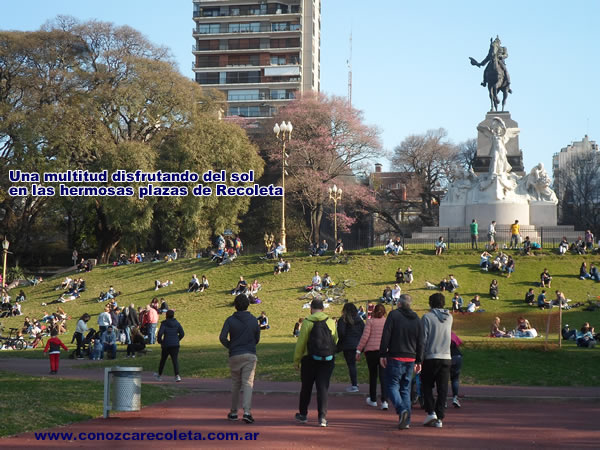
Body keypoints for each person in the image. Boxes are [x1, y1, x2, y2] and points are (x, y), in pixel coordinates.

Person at [378, 294, 423, 430]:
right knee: (405, 388)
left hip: (396, 356)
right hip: (410, 357)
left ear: (399, 303)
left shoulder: (393, 315)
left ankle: (401, 409)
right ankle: (406, 420)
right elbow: (421, 341)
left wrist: (382, 354)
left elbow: (386, 334)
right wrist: (419, 359)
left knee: (391, 385)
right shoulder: (416, 318)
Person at [294, 299, 338, 428]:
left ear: (311, 308)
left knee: (306, 387)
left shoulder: (307, 322)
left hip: (309, 359)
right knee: (322, 388)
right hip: (327, 360)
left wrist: (297, 360)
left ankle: (303, 414)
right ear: (323, 309)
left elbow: (301, 343)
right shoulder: (330, 321)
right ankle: (322, 417)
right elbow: (335, 339)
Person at [220, 294, 261, 424]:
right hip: (249, 353)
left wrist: (231, 346)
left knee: (235, 384)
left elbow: (222, 337)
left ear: (235, 305)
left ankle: (233, 412)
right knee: (248, 383)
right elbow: (257, 338)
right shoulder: (254, 320)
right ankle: (247, 412)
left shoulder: (230, 320)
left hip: (235, 354)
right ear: (248, 304)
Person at [421, 293, 452, 428]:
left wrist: (419, 358)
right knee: (443, 388)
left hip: (430, 356)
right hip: (446, 356)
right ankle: (440, 417)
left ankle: (430, 411)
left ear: (430, 303)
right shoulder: (450, 317)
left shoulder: (426, 317)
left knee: (426, 385)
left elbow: (423, 339)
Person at [357, 303, 388, 410]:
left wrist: (358, 350)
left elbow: (365, 337)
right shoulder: (387, 322)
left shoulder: (370, 321)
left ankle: (373, 399)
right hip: (384, 352)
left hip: (371, 352)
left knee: (373, 375)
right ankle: (385, 401)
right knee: (384, 376)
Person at [336, 303, 364, 393]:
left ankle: (354, 385)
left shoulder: (343, 320)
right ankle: (354, 382)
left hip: (348, 345)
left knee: (351, 365)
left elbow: (341, 333)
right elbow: (363, 331)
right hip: (358, 344)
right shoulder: (359, 320)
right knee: (353, 365)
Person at [154, 310, 185, 382]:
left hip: (166, 344)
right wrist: (177, 339)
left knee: (163, 360)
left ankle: (159, 375)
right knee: (175, 360)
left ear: (166, 315)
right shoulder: (177, 323)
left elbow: (160, 333)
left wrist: (160, 341)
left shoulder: (164, 323)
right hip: (175, 344)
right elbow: (182, 333)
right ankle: (177, 375)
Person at [450, 332, 463, 408]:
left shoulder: (441, 333)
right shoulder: (452, 334)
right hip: (457, 356)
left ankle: (443, 400)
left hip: (447, 357)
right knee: (455, 378)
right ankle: (455, 398)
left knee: (443, 379)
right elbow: (460, 342)